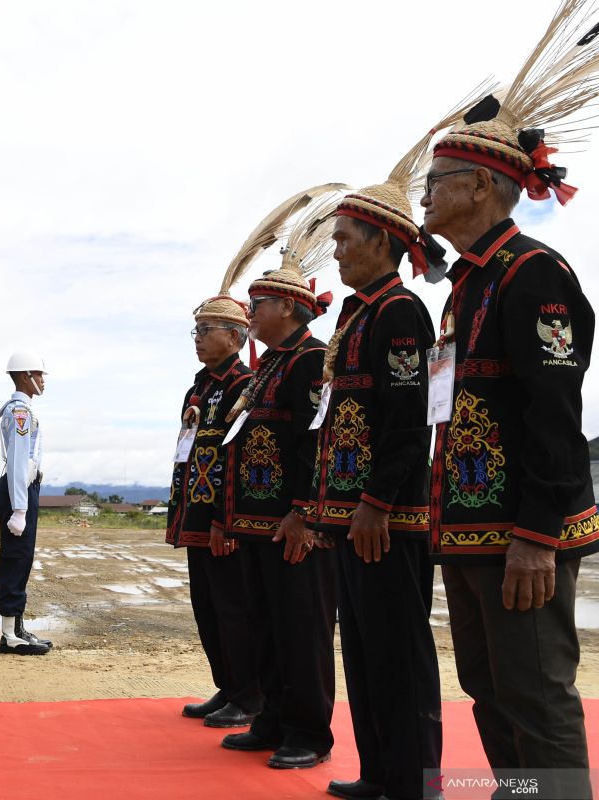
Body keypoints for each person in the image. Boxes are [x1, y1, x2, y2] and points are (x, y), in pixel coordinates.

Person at [420, 11, 599, 795]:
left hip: (518, 533)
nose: (423, 197)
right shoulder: (467, 285)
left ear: (486, 186)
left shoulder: (534, 275)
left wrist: (535, 536)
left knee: (534, 691)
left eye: (436, 182)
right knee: (488, 689)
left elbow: (556, 414)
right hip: (466, 527)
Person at [313, 130, 451, 799]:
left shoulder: (400, 314)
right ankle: (379, 773)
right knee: (364, 654)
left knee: (398, 652)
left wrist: (377, 503)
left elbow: (408, 419)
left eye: (343, 239)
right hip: (350, 515)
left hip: (384, 519)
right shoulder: (357, 316)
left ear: (379, 241)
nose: (335, 251)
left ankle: (416, 782)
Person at [171, 193, 315, 729]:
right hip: (202, 512)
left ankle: (248, 693)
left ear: (234, 337)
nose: (198, 339)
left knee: (238, 610)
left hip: (230, 515)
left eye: (206, 330)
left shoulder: (243, 382)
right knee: (210, 609)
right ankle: (229, 685)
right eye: (196, 331)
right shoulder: (204, 383)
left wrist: (222, 518)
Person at [216, 186, 340, 770]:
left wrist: (302, 511)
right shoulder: (268, 369)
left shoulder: (312, 362)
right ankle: (271, 718)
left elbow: (318, 439)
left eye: (258, 304)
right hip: (258, 523)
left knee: (301, 630)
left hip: (292, 523)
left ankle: (309, 732)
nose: (251, 314)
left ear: (289, 308)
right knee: (266, 625)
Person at [0, 351, 51, 656]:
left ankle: (15, 627)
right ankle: (10, 634)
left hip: (23, 486)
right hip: (20, 487)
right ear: (24, 376)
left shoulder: (22, 410)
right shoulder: (20, 412)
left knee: (22, 556)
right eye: (39, 374)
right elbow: (18, 461)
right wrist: (20, 508)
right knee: (17, 556)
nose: (42, 380)